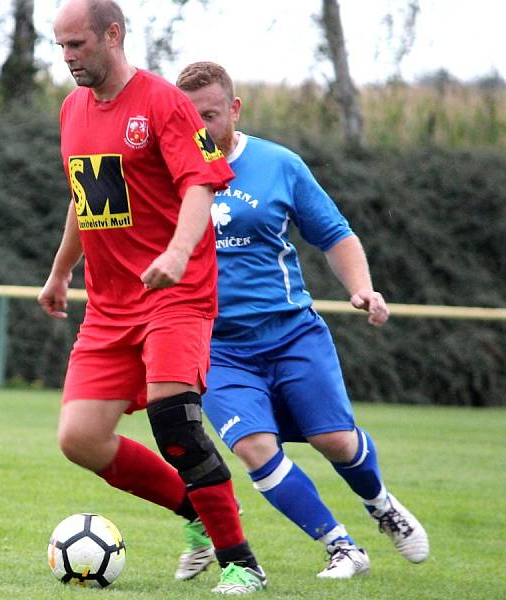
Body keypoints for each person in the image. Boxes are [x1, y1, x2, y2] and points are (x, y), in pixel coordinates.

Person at [38, 2, 265, 595]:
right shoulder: (72, 110)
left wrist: (177, 254)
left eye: (77, 45)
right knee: (79, 439)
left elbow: (202, 181)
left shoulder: (163, 102)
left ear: (112, 35)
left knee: (175, 423)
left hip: (176, 293)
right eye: (60, 46)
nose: (67, 58)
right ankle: (194, 513)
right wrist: (62, 271)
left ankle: (241, 561)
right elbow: (84, 195)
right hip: (111, 303)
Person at [174, 61, 429, 579]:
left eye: (212, 115)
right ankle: (341, 547)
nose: (202, 128)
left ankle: (381, 506)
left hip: (291, 334)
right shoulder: (167, 171)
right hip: (218, 347)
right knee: (252, 447)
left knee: (334, 440)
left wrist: (361, 288)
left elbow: (335, 233)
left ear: (234, 109)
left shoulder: (278, 164)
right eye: (191, 118)